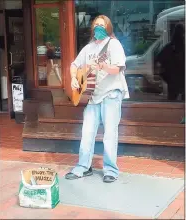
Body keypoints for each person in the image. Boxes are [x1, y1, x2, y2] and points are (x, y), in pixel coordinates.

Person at [65, 15, 129, 183]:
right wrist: (74, 77)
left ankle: (111, 170)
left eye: (102, 25)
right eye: (96, 25)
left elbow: (118, 69)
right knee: (87, 132)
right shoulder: (88, 48)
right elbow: (74, 65)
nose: (98, 28)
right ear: (92, 28)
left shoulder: (114, 45)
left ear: (108, 28)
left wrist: (103, 66)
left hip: (111, 93)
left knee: (109, 134)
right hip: (93, 95)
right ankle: (83, 167)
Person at [155, 23, 185, 101]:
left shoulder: (169, 47)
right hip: (183, 78)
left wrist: (164, 73)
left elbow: (158, 61)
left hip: (172, 79)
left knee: (172, 100)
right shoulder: (183, 46)